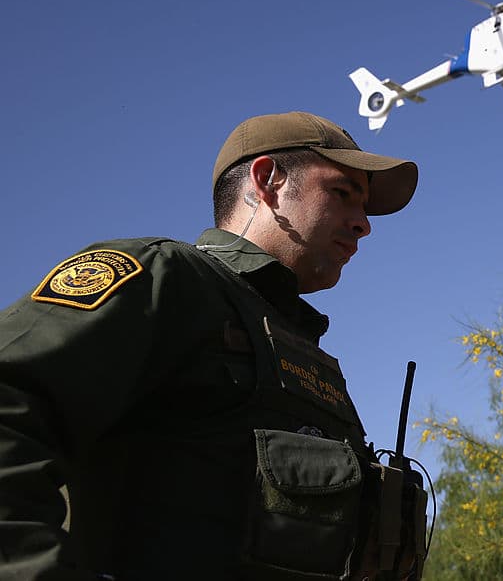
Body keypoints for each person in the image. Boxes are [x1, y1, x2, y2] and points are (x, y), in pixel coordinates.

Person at [0, 111, 426, 580]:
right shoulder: (167, 279)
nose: (363, 224)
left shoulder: (304, 349)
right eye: (343, 194)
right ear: (268, 181)